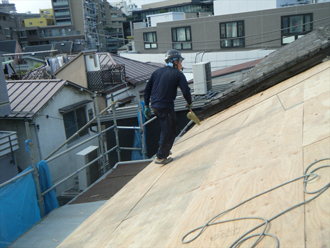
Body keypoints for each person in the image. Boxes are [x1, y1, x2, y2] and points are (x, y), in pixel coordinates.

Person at [144, 49, 192, 165]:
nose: (181, 64)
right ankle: (161, 157)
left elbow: (147, 89)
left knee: (170, 126)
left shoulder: (157, 72)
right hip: (165, 106)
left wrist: (146, 105)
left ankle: (163, 150)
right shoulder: (178, 74)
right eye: (180, 61)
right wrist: (189, 103)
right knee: (169, 130)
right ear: (174, 61)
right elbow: (186, 91)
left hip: (156, 106)